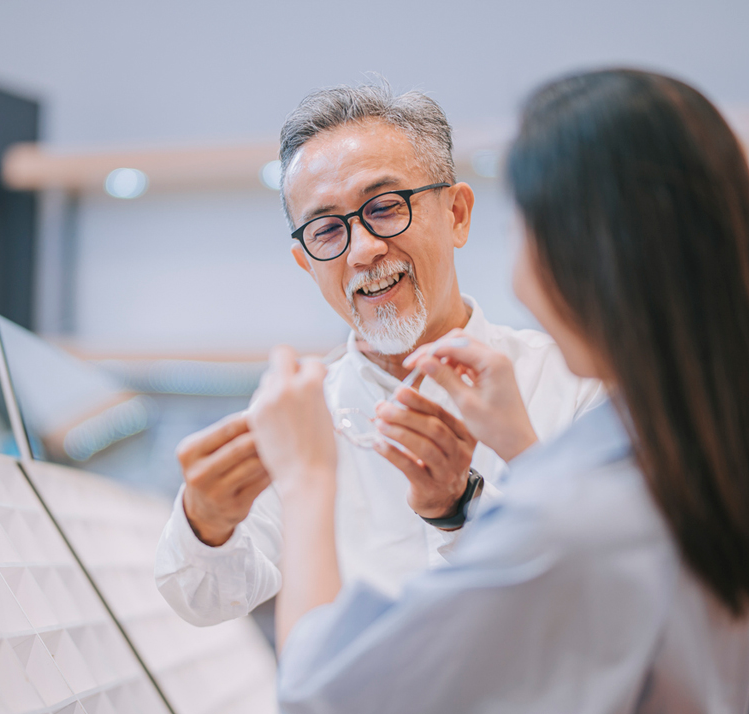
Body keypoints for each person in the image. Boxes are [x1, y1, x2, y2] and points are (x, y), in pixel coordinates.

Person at [248, 69, 749, 712]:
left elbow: (325, 693)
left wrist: (305, 479)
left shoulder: (584, 501)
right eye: (327, 230)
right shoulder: (694, 445)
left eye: (522, 230)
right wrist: (515, 456)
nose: (364, 250)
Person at [155, 82, 603, 627]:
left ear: (457, 214)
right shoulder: (300, 416)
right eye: (327, 230)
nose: (364, 249)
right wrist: (206, 520)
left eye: (386, 208)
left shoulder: (575, 382)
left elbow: (610, 583)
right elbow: (204, 598)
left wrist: (464, 508)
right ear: (307, 263)